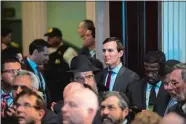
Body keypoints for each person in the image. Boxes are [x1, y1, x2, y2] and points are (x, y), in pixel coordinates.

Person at [127, 50, 170, 116]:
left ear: (162, 69)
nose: (150, 75)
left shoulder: (170, 89)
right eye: (147, 71)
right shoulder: (134, 88)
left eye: (154, 71)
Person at [44, 27, 74, 102]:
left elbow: (73, 70)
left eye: (51, 37)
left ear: (58, 38)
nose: (48, 39)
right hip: (50, 91)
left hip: (62, 91)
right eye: (48, 37)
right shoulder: (47, 51)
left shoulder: (68, 50)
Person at [22, 39, 51, 106]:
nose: (48, 58)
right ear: (35, 52)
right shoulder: (23, 67)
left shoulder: (39, 68)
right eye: (45, 55)